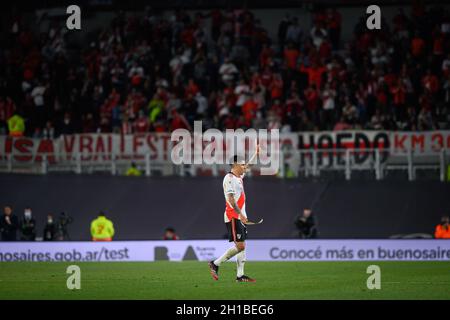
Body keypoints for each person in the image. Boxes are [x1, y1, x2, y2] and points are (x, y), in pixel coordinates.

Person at [208, 145, 259, 283]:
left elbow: (250, 165)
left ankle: (240, 275)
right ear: (235, 165)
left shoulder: (239, 176)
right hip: (233, 216)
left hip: (239, 216)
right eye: (242, 164)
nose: (245, 166)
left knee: (242, 245)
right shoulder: (229, 178)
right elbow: (230, 199)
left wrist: (256, 153)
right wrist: (240, 214)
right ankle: (215, 263)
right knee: (241, 246)